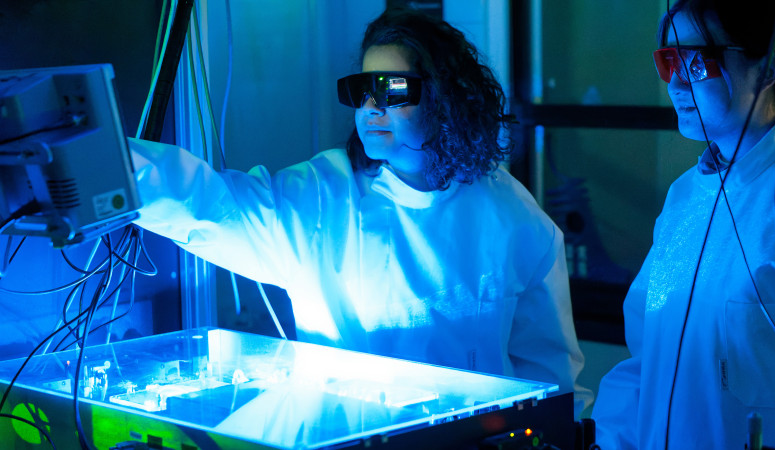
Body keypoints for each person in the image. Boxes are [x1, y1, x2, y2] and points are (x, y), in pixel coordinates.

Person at [129, 8, 590, 417]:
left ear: (446, 99)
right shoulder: (324, 198)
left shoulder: (511, 215)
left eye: (391, 89)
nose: (370, 107)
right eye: (363, 89)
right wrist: (107, 167)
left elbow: (550, 374)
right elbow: (210, 207)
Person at [591, 0, 775, 448]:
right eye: (669, 61)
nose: (676, 83)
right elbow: (645, 360)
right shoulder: (685, 196)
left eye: (697, 62)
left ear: (767, 69)